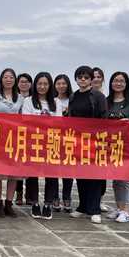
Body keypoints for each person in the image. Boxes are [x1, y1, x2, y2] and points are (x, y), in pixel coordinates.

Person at [68, 65, 108, 224]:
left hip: (94, 141)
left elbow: (104, 119)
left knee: (95, 176)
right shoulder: (73, 96)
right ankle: (82, 207)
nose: (83, 80)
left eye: (86, 77)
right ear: (76, 79)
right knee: (81, 175)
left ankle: (94, 209)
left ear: (91, 79)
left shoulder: (98, 96)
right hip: (78, 142)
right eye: (80, 77)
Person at [21, 72, 63, 220]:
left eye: (45, 84)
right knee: (32, 174)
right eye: (39, 84)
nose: (42, 87)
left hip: (51, 142)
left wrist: (41, 123)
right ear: (35, 85)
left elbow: (59, 122)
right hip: (34, 142)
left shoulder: (56, 102)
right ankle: (34, 203)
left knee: (51, 174)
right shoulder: (28, 101)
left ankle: (48, 204)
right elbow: (26, 120)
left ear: (50, 85)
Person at [105, 72, 129, 223]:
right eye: (115, 80)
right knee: (116, 179)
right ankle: (119, 208)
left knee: (126, 179)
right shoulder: (106, 102)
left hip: (127, 146)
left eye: (121, 81)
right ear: (111, 83)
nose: (118, 83)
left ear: (126, 84)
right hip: (109, 145)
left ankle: (126, 211)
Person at [0, 68, 24, 217]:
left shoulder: (20, 98)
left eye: (11, 77)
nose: (8, 80)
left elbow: (24, 119)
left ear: (15, 80)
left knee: (13, 173)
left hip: (15, 140)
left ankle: (9, 203)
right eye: (5, 77)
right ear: (1, 80)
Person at [54, 74, 74, 212]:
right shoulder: (52, 100)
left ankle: (67, 197)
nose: (61, 86)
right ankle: (55, 197)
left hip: (69, 138)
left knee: (68, 169)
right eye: (58, 83)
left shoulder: (73, 100)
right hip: (54, 138)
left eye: (63, 83)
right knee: (54, 169)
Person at [15, 73, 35, 206]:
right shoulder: (15, 98)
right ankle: (19, 193)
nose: (24, 84)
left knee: (31, 166)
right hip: (17, 135)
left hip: (32, 136)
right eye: (21, 81)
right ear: (18, 84)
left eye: (27, 81)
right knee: (19, 166)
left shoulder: (34, 99)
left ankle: (30, 195)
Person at [92, 66, 109, 211]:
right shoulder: (80, 96)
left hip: (102, 140)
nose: (96, 79)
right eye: (93, 76)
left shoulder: (106, 97)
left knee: (101, 172)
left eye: (99, 77)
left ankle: (99, 199)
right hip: (86, 140)